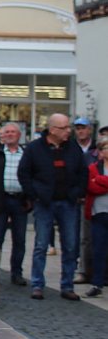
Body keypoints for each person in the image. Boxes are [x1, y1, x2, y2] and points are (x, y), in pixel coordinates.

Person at [18, 113, 88, 301]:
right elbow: (24, 173)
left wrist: (77, 193)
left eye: (68, 127)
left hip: (68, 203)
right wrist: (34, 194)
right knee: (41, 245)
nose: (68, 131)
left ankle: (67, 285)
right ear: (52, 129)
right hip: (45, 203)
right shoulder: (34, 148)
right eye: (64, 128)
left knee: (70, 245)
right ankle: (37, 284)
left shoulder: (73, 148)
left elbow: (83, 173)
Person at [0, 123, 30, 286]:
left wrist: (31, 198)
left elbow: (33, 176)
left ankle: (17, 273)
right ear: (2, 135)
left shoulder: (27, 154)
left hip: (20, 201)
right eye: (6, 132)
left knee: (20, 239)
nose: (9, 134)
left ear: (19, 135)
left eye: (13, 132)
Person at [73, 116, 98, 285]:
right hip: (73, 197)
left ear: (90, 130)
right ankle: (79, 269)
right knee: (75, 236)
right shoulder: (71, 148)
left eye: (84, 128)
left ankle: (90, 270)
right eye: (78, 128)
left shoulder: (97, 150)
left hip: (93, 197)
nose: (81, 131)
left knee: (89, 237)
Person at [85, 137, 108, 298]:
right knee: (98, 250)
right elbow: (92, 187)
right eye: (104, 148)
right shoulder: (93, 167)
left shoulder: (96, 173)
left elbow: (97, 183)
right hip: (98, 213)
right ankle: (97, 283)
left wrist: (100, 181)